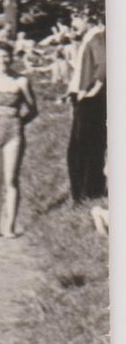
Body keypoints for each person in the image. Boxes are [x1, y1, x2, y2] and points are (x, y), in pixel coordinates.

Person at [0, 41, 39, 238]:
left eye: (6, 56)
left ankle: (9, 226)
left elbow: (33, 110)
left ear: (12, 58)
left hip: (13, 132)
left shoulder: (21, 81)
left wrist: (18, 121)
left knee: (11, 179)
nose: (2, 60)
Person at [66, 13, 107, 203]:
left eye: (76, 17)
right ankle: (90, 192)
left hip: (92, 99)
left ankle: (84, 194)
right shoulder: (93, 36)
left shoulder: (97, 36)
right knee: (92, 147)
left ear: (87, 17)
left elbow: (104, 67)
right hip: (90, 96)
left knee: (80, 150)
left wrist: (91, 91)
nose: (73, 23)